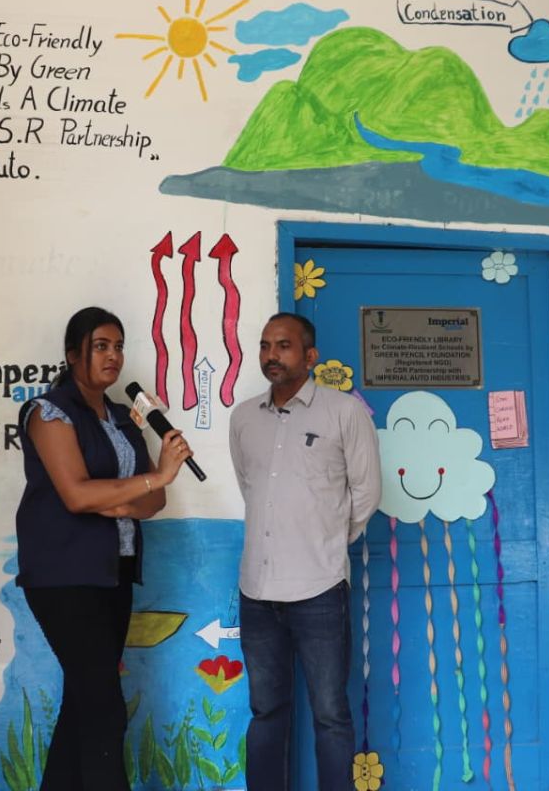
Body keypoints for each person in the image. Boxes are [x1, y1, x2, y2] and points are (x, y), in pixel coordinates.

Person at [15, 306, 194, 791]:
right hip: (64, 577)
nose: (113, 356)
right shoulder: (49, 412)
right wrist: (147, 481)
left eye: (118, 347)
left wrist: (124, 496)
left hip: (114, 572)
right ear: (73, 355)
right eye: (100, 346)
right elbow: (77, 495)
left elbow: (153, 501)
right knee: (104, 709)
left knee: (84, 704)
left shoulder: (122, 417)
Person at [229, 312, 382, 791]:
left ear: (310, 356)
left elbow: (367, 494)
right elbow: (250, 487)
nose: (271, 355)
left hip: (319, 590)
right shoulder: (243, 418)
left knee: (330, 714)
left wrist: (325, 539)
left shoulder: (344, 413)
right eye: (265, 345)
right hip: (257, 592)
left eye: (284, 345)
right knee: (265, 711)